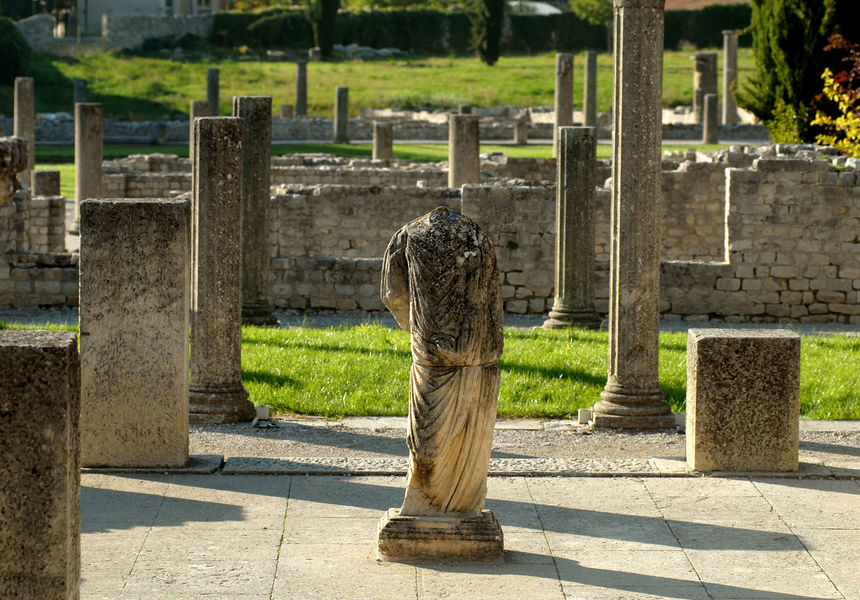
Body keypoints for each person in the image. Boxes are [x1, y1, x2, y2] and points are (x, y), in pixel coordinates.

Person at [381, 206, 503, 516]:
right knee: (461, 443)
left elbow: (393, 294)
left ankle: (425, 503)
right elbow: (491, 300)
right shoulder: (476, 237)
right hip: (476, 356)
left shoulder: (408, 236)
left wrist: (416, 328)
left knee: (426, 445)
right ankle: (457, 507)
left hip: (431, 355)